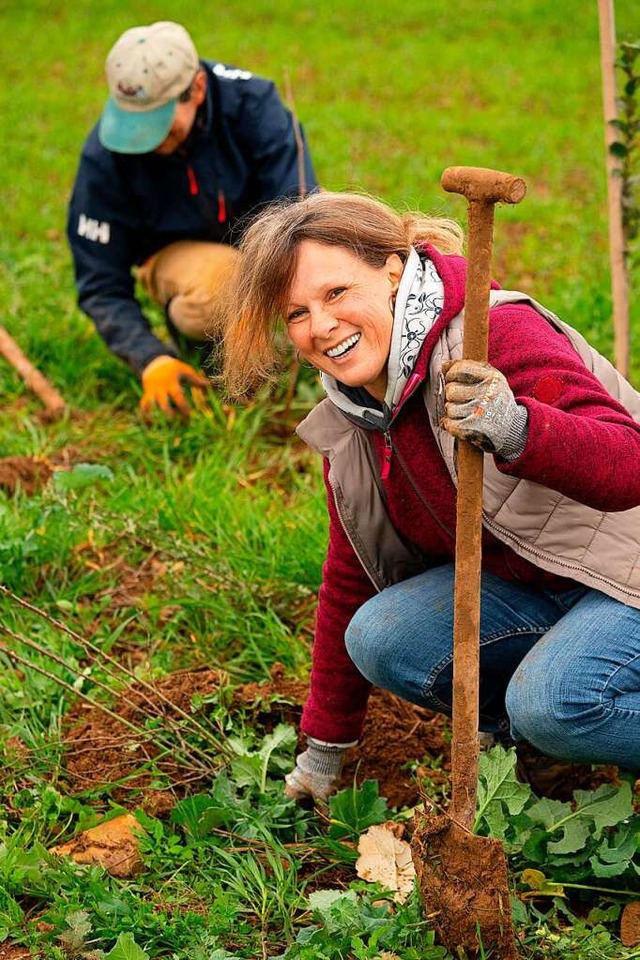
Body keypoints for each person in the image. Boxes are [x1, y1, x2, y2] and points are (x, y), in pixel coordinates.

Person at [220, 190, 640, 801]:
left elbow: (630, 461)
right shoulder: (356, 409)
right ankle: (534, 751)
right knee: (379, 637)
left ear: (393, 268)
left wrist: (518, 428)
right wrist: (325, 747)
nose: (321, 327)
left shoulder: (492, 335)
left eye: (336, 293)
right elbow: (351, 575)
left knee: (553, 704)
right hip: (541, 585)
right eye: (295, 314)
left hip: (625, 569)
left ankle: (552, 728)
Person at [66, 21, 317, 418]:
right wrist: (151, 358)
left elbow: (298, 216)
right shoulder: (104, 156)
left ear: (196, 89)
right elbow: (100, 283)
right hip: (179, 261)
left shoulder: (254, 107)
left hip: (262, 252)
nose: (145, 141)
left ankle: (275, 342)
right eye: (134, 123)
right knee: (221, 288)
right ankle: (208, 343)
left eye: (158, 124)